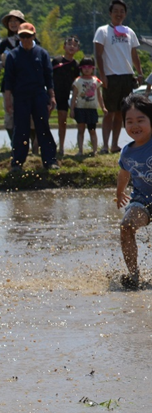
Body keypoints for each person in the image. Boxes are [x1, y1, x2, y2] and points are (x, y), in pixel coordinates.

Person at [3, 22, 59, 173]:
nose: (25, 39)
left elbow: (49, 78)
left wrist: (52, 97)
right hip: (21, 96)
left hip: (39, 95)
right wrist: (8, 100)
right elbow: (8, 81)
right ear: (18, 37)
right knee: (20, 128)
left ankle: (50, 160)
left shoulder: (42, 53)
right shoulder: (13, 56)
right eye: (22, 36)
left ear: (34, 35)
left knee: (43, 127)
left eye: (28, 36)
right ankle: (17, 162)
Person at [94, 0, 144, 154]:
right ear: (110, 13)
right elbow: (98, 54)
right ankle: (104, 146)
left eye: (121, 11)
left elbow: (134, 54)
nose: (118, 14)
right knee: (109, 112)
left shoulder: (129, 32)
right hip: (111, 76)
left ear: (125, 14)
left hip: (127, 77)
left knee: (121, 113)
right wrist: (102, 76)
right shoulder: (102, 31)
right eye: (115, 11)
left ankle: (115, 144)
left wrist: (140, 72)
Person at [116, 94, 152, 290]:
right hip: (143, 201)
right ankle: (134, 276)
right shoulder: (127, 152)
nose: (134, 125)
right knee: (126, 226)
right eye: (129, 121)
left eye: (140, 120)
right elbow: (124, 173)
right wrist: (120, 193)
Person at [0, 10, 29, 145]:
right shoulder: (5, 43)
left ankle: (29, 144)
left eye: (16, 21)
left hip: (27, 83)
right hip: (9, 83)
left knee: (28, 115)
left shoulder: (30, 40)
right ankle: (15, 144)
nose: (13, 24)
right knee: (9, 115)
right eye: (11, 21)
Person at [52, 36, 81, 156]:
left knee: (62, 122)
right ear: (64, 47)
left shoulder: (76, 65)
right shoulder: (56, 60)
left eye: (74, 45)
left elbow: (76, 83)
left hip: (65, 95)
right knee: (42, 120)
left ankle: (61, 148)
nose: (71, 47)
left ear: (77, 49)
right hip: (53, 94)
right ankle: (38, 146)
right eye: (69, 44)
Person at [71, 57, 105, 156]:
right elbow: (74, 96)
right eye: (84, 67)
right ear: (81, 68)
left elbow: (99, 95)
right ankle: (80, 150)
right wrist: (72, 109)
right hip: (80, 108)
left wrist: (103, 107)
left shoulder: (96, 81)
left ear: (93, 68)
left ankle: (95, 150)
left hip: (92, 108)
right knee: (80, 130)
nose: (86, 69)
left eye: (89, 67)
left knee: (92, 130)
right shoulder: (78, 81)